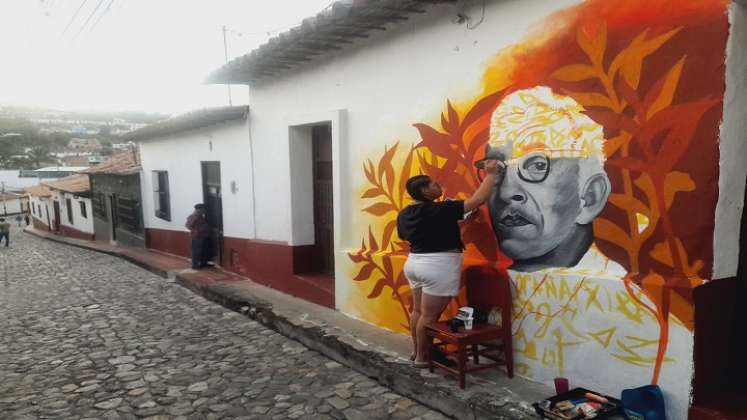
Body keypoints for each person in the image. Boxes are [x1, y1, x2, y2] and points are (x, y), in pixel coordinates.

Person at [397, 159, 502, 367]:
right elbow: (477, 199)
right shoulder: (440, 209)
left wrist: (445, 224)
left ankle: (417, 351)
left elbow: (409, 234)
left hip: (414, 264)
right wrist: (491, 174)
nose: (439, 186)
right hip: (438, 266)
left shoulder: (406, 213)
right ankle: (422, 358)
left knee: (418, 312)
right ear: (425, 192)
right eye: (433, 184)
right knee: (429, 316)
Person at [185, 204, 211, 269]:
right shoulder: (194, 216)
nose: (204, 210)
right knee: (196, 251)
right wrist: (195, 231)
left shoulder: (200, 216)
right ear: (199, 209)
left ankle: (203, 263)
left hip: (203, 236)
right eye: (203, 209)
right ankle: (195, 265)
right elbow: (187, 225)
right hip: (197, 237)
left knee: (203, 250)